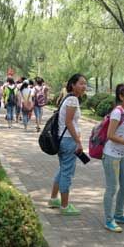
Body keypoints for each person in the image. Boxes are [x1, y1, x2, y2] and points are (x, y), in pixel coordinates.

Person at [48, 73, 88, 216]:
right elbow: (69, 122)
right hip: (69, 140)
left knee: (62, 170)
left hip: (62, 139)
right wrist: (78, 141)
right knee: (67, 173)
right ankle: (65, 206)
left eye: (85, 83)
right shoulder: (72, 100)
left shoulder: (68, 98)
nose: (84, 86)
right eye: (81, 83)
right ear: (73, 85)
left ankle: (54, 199)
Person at [103, 84, 124, 233]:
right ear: (121, 96)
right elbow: (110, 135)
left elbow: (123, 132)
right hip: (111, 154)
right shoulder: (117, 112)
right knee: (112, 188)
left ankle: (118, 214)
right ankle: (108, 220)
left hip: (122, 154)